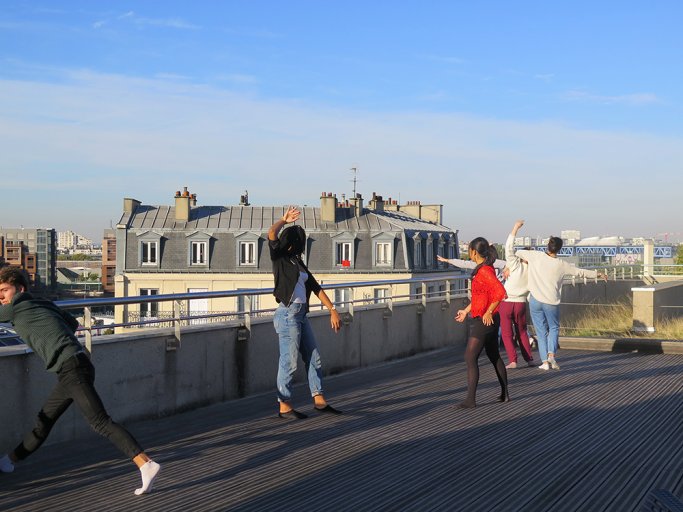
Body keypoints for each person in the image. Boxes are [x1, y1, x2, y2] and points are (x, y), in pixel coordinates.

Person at [0, 267, 160, 495]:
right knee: (44, 421)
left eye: (5, 290)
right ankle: (8, 461)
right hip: (75, 365)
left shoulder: (16, 306)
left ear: (20, 289)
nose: (1, 296)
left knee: (100, 422)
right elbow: (72, 324)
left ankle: (145, 463)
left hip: (72, 369)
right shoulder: (42, 303)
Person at [269, 206, 342, 419]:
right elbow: (271, 235)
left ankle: (319, 400)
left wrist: (332, 310)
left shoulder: (298, 263)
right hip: (288, 315)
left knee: (314, 357)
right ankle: (284, 404)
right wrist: (283, 220)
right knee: (289, 361)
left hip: (301, 315)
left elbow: (315, 287)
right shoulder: (279, 258)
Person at [517, 238, 607, 370]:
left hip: (535, 300)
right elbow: (579, 272)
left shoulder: (536, 256)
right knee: (553, 328)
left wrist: (530, 251)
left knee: (541, 332)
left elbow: (518, 252)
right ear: (560, 249)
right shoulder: (562, 264)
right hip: (551, 302)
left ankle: (544, 363)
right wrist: (597, 274)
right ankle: (551, 355)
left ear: (547, 246)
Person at [454, 237, 509, 408]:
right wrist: (465, 311)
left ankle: (471, 400)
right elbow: (480, 297)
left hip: (484, 321)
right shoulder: (484, 269)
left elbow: (501, 292)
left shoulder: (485, 270)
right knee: (494, 355)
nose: (469, 253)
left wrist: (489, 311)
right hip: (486, 318)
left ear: (474, 252)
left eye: (469, 250)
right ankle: (505, 393)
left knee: (470, 357)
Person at [499, 220, 534, 369]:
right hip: (521, 303)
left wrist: (515, 228)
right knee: (522, 332)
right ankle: (530, 359)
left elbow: (508, 247)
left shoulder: (514, 264)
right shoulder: (533, 270)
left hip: (506, 302)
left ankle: (513, 360)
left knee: (507, 334)